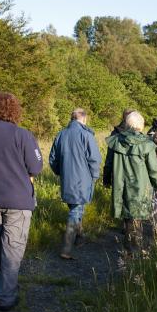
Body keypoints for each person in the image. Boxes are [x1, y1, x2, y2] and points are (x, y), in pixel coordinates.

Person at [0, 92, 43, 312]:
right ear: (15, 111)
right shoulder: (23, 135)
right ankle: (6, 295)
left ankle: (5, 280)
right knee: (13, 246)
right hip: (17, 199)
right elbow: (36, 167)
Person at [49, 108, 102, 260]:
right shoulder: (86, 135)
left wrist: (61, 172)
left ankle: (80, 237)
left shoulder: (61, 134)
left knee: (76, 207)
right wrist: (94, 176)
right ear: (84, 119)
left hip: (67, 179)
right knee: (75, 210)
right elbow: (94, 159)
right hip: (82, 179)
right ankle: (66, 248)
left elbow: (53, 159)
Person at [104, 111, 157, 254]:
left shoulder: (115, 140)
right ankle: (134, 248)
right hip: (140, 185)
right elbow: (153, 168)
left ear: (128, 124)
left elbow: (108, 164)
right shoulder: (147, 144)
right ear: (140, 125)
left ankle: (130, 247)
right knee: (137, 215)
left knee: (128, 215)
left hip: (120, 183)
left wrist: (106, 181)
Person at [103, 108, 135, 187]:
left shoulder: (115, 133)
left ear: (123, 117)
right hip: (135, 174)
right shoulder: (138, 134)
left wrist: (106, 180)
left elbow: (109, 159)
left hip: (117, 173)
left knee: (118, 198)